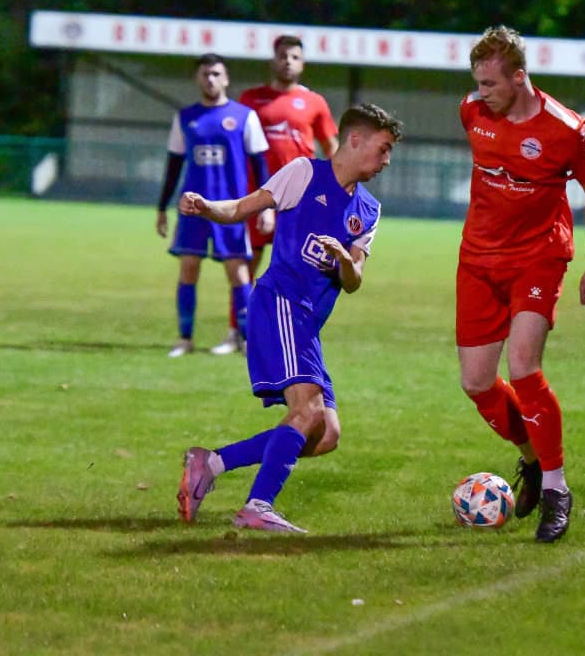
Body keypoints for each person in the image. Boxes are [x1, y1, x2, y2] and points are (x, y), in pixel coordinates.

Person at [175, 102, 403, 533]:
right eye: (383, 148)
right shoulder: (304, 173)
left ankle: (212, 462)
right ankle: (257, 506)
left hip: (307, 324)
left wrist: (344, 261)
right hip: (279, 301)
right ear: (355, 139)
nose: (386, 160)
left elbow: (354, 281)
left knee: (326, 434)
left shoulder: (368, 209)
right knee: (308, 409)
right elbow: (241, 208)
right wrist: (206, 207)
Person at [457, 26, 585, 543]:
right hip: (478, 260)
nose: (480, 93)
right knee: (477, 383)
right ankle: (531, 458)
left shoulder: (567, 129)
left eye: (490, 83)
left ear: (519, 76)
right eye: (477, 83)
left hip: (538, 258)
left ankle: (556, 490)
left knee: (523, 367)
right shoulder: (472, 113)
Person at [210, 34, 340, 356]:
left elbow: (332, 148)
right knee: (246, 265)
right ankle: (237, 332)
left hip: (300, 201)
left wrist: (335, 190)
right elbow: (234, 145)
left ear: (303, 63)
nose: (288, 62)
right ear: (273, 60)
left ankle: (292, 332)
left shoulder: (314, 102)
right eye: (283, 55)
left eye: (294, 57)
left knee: (298, 267)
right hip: (257, 197)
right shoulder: (251, 99)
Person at [155, 53, 270, 358]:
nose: (211, 79)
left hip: (230, 209)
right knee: (188, 268)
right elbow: (173, 166)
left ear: (226, 78)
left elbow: (261, 166)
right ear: (197, 78)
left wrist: (266, 207)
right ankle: (185, 339)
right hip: (192, 209)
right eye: (205, 74)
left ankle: (246, 340)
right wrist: (162, 208)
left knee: (239, 272)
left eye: (216, 74)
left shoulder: (244, 117)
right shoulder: (185, 117)